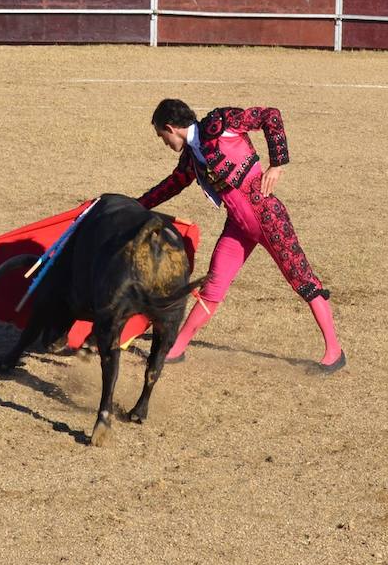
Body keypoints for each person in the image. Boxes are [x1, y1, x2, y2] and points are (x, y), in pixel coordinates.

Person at [137, 99, 345, 370]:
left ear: (170, 127)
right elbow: (171, 185)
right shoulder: (191, 156)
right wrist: (135, 206)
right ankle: (177, 348)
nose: (163, 142)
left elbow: (270, 115)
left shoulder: (220, 123)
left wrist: (277, 163)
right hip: (237, 225)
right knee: (214, 284)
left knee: (301, 279)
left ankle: (334, 350)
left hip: (267, 216)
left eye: (162, 136)